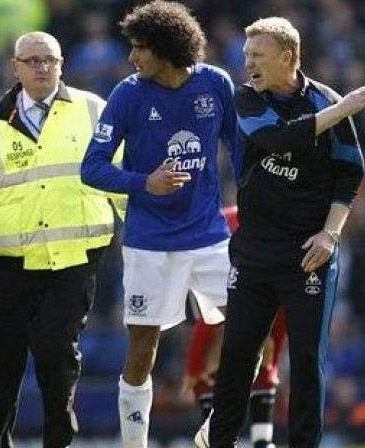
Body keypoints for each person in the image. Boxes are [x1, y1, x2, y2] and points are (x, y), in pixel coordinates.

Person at [195, 17, 365, 448]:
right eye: (246, 56)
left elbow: (350, 175)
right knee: (237, 356)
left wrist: (330, 235)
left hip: (308, 256)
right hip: (255, 253)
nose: (248, 64)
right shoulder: (247, 99)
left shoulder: (326, 99)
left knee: (306, 362)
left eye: (257, 56)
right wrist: (340, 110)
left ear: (287, 58)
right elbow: (277, 140)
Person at [0, 31, 121, 448]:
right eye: (32, 60)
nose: (42, 68)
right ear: (14, 67)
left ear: (62, 64)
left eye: (49, 60)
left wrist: (143, 240)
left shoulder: (96, 112)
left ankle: (59, 440)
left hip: (73, 260)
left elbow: (123, 181)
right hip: (5, 263)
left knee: (58, 359)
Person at [80, 2, 238, 446]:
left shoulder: (216, 84)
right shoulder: (128, 94)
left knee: (246, 327)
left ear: (167, 50)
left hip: (208, 234)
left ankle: (219, 426)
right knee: (142, 345)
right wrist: (143, 183)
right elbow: (91, 168)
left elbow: (238, 147)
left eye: (140, 48)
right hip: (150, 242)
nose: (132, 58)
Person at [183, 206, 287, 448]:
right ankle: (211, 432)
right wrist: (193, 368)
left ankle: (261, 440)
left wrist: (271, 367)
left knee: (256, 351)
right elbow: (208, 323)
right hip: (209, 248)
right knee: (219, 357)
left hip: (254, 254)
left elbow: (280, 327)